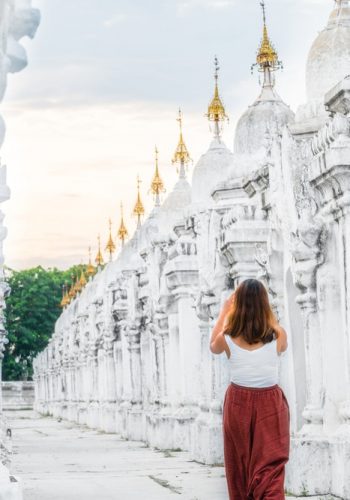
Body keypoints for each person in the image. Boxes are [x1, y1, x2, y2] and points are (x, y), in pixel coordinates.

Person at [210, 278, 290, 500]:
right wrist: (267, 316)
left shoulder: (226, 337)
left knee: (240, 467)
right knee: (270, 468)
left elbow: (212, 346)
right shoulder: (279, 334)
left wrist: (225, 312)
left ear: (239, 305)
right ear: (264, 304)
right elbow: (279, 344)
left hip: (238, 404)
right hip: (271, 405)